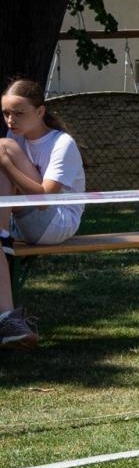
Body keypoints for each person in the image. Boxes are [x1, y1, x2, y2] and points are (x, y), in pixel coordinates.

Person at [0, 79, 87, 350]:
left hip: (56, 221)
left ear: (40, 112)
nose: (11, 120)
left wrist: (6, 164)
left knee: (4, 148)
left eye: (19, 113)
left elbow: (43, 199)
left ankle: (2, 235)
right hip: (22, 218)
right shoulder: (16, 137)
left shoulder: (62, 143)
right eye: (6, 113)